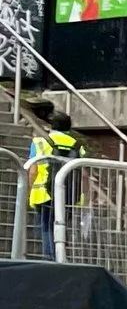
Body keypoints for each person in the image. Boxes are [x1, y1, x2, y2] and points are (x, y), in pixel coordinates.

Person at [22, 100, 84, 262]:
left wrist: (28, 191)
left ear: (52, 125)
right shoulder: (78, 145)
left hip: (43, 192)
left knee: (46, 227)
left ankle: (50, 258)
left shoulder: (40, 142)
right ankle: (62, 256)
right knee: (62, 225)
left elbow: (33, 169)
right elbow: (83, 171)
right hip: (69, 193)